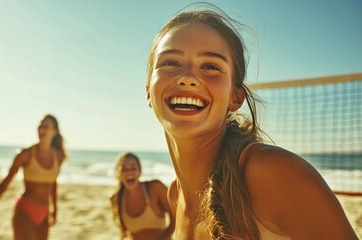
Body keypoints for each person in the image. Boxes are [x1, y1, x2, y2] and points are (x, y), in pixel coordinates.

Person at [145, 5, 358, 240]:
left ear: (235, 98)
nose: (187, 77)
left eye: (210, 66)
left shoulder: (272, 173)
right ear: (148, 91)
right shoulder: (175, 195)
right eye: (170, 63)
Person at [0, 114, 67, 240]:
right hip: (25, 211)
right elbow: (5, 184)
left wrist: (55, 209)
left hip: (44, 213)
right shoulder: (25, 155)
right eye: (40, 126)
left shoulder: (59, 156)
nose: (41, 129)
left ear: (54, 131)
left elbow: (53, 183)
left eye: (46, 126)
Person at [110, 152, 175, 240]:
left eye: (133, 167)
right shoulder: (116, 198)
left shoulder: (155, 187)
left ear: (139, 171)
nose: (129, 171)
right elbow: (124, 232)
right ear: (118, 174)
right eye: (124, 169)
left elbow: (176, 216)